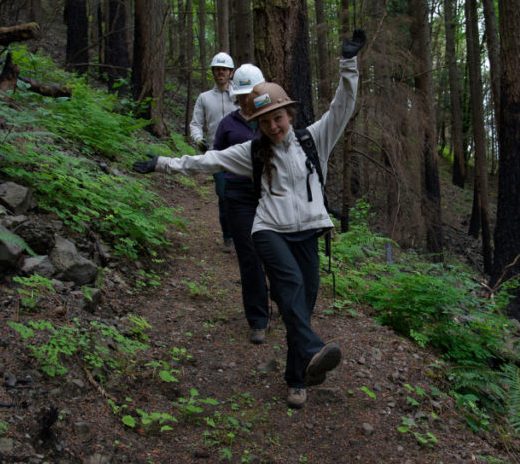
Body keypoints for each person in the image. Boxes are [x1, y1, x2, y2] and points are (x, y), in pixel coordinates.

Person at [133, 29, 366, 409]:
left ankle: (299, 376)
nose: (273, 126)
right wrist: (163, 164)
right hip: (269, 230)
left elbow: (343, 105)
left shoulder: (314, 139)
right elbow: (208, 161)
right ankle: (312, 349)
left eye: (278, 118)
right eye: (265, 122)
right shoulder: (252, 151)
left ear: (288, 113)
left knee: (301, 306)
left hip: (308, 233)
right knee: (289, 286)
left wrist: (348, 65)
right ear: (257, 124)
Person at [213, 64, 270, 345]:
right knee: (249, 257)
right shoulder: (228, 124)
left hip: (270, 194)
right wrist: (223, 186)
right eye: (242, 94)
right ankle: (258, 319)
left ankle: (283, 304)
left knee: (274, 253)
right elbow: (216, 157)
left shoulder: (270, 121)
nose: (246, 98)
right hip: (238, 195)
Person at [189, 51, 238, 253]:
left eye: (224, 69)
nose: (221, 72)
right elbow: (195, 124)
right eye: (217, 69)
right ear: (213, 72)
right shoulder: (204, 98)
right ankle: (228, 236)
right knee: (224, 195)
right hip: (216, 153)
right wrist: (198, 139)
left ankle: (246, 234)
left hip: (240, 152)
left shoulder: (240, 95)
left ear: (231, 72)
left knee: (245, 194)